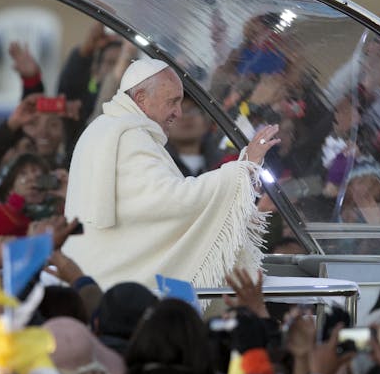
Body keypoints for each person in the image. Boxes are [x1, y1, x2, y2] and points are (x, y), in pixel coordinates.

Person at [63, 58, 279, 290]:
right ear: (141, 99)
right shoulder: (129, 136)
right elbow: (169, 200)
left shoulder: (105, 128)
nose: (178, 112)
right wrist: (242, 169)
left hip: (90, 270)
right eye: (173, 102)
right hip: (113, 281)